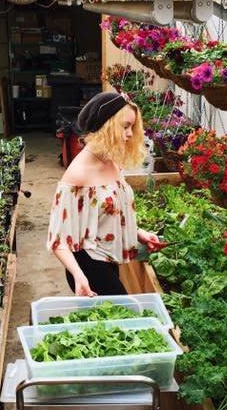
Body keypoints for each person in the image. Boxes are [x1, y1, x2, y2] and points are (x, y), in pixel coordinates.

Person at [47, 91, 163, 296]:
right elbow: (58, 241)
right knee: (124, 318)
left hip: (107, 259)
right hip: (87, 266)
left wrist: (139, 234)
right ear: (105, 126)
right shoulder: (78, 176)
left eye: (132, 127)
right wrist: (78, 276)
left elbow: (112, 210)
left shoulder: (110, 161)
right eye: (125, 126)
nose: (129, 134)